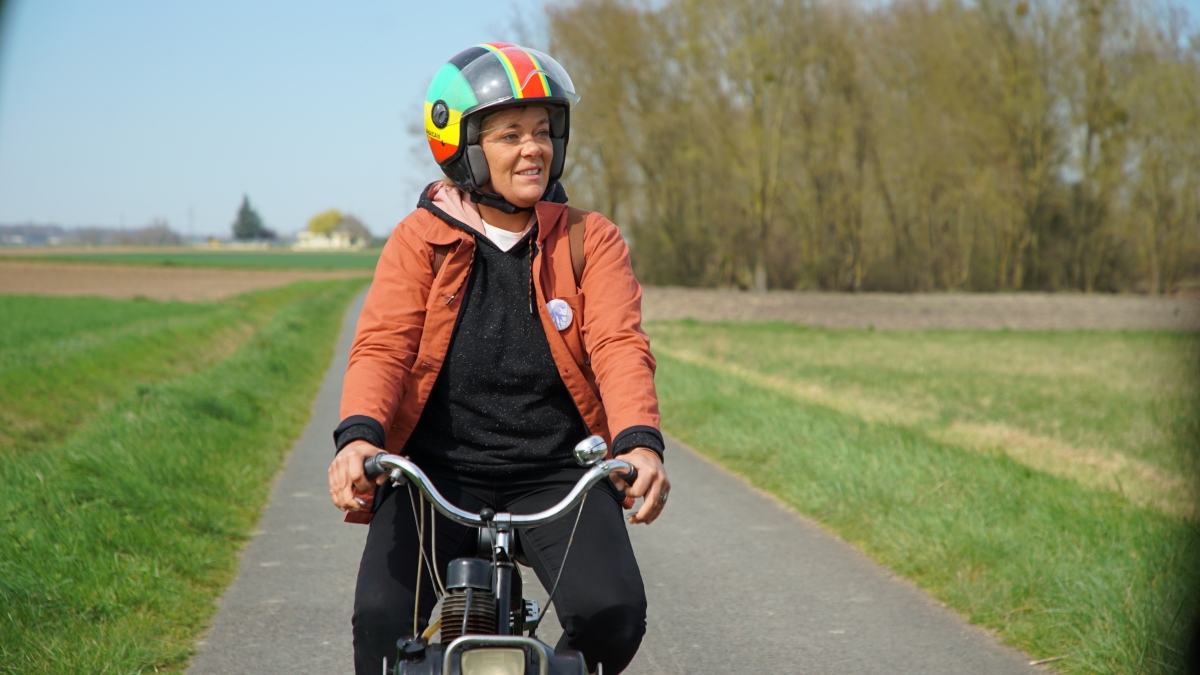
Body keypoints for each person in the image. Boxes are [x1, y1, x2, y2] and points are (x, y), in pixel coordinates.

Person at [326, 43, 670, 675]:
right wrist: (359, 438)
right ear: (462, 146)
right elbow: (385, 346)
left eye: (543, 131)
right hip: (435, 474)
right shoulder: (419, 238)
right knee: (380, 626)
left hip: (558, 472)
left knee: (613, 614)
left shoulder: (590, 239)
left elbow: (619, 344)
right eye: (510, 134)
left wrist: (639, 443)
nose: (532, 148)